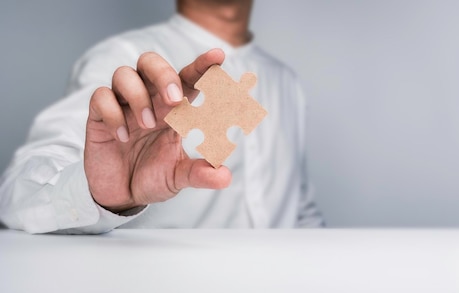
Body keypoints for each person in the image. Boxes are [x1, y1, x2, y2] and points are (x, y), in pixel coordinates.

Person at [0, 0, 324, 233]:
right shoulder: (122, 58)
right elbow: (18, 197)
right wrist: (101, 197)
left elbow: (300, 212)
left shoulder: (287, 82)